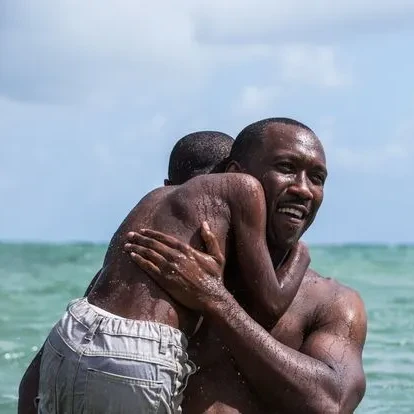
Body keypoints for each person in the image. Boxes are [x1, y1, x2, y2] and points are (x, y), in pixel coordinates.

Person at [21, 125, 311, 413]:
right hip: (135, 354)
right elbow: (269, 307)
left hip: (74, 332)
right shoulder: (243, 187)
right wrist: (299, 255)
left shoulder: (151, 201)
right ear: (234, 170)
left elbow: (30, 383)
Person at [124, 118, 367, 413]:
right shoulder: (168, 266)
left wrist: (216, 301)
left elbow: (332, 403)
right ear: (236, 177)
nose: (304, 189)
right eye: (286, 168)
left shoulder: (331, 302)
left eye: (317, 178)